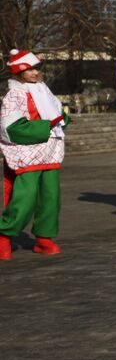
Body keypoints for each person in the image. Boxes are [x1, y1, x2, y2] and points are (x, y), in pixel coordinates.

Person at [1, 50, 66, 259]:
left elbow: (57, 114)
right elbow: (11, 128)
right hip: (27, 153)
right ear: (19, 72)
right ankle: (4, 234)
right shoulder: (14, 95)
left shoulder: (44, 90)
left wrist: (63, 118)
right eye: (29, 69)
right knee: (25, 198)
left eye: (36, 68)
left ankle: (44, 237)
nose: (34, 73)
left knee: (51, 197)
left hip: (50, 152)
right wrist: (46, 126)